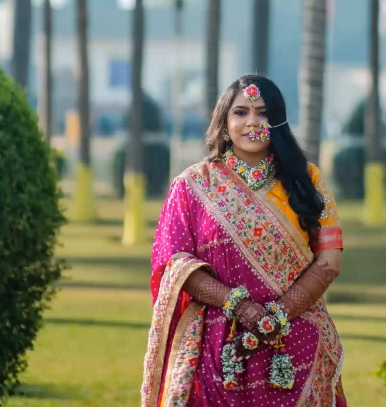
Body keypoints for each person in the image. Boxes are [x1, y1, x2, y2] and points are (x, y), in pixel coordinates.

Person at [140, 74, 347, 407]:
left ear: (277, 122)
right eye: (240, 112)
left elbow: (329, 261)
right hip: (216, 343)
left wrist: (277, 314)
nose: (252, 122)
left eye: (263, 113)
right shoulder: (193, 185)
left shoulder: (307, 180)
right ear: (223, 123)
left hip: (295, 339)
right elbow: (177, 263)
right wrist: (240, 306)